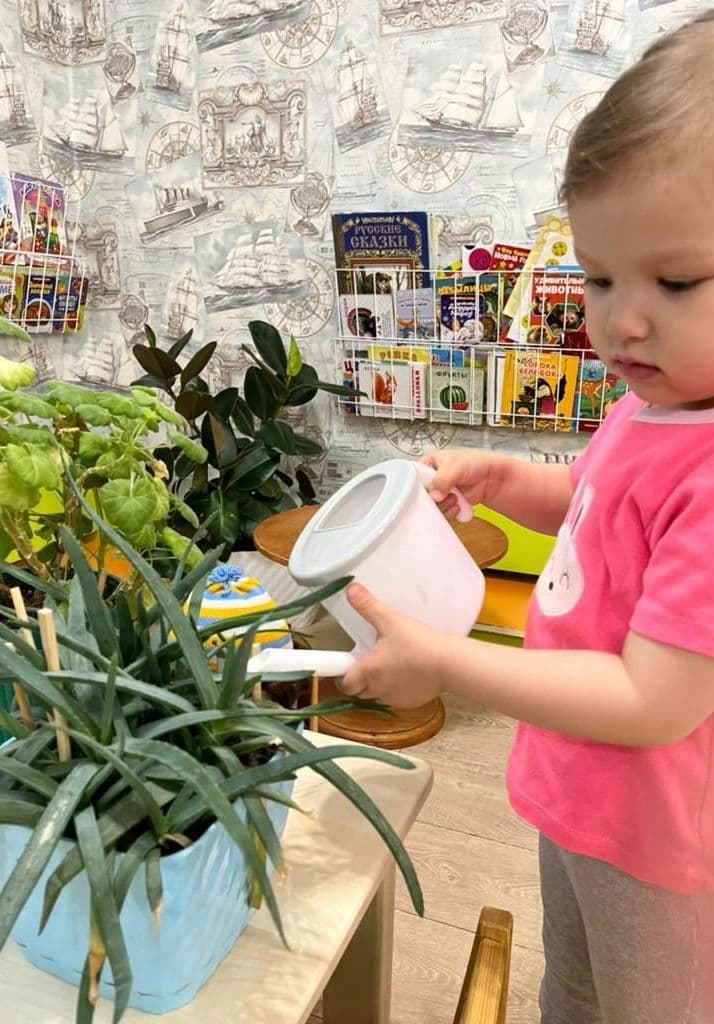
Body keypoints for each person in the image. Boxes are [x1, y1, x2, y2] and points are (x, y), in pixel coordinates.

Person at [337, 12, 714, 1023]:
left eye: (677, 281)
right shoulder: (654, 403)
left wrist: (446, 663)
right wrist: (508, 474)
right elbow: (596, 502)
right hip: (579, 791)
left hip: (657, 838)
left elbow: (653, 699)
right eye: (599, 276)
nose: (623, 319)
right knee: (573, 986)